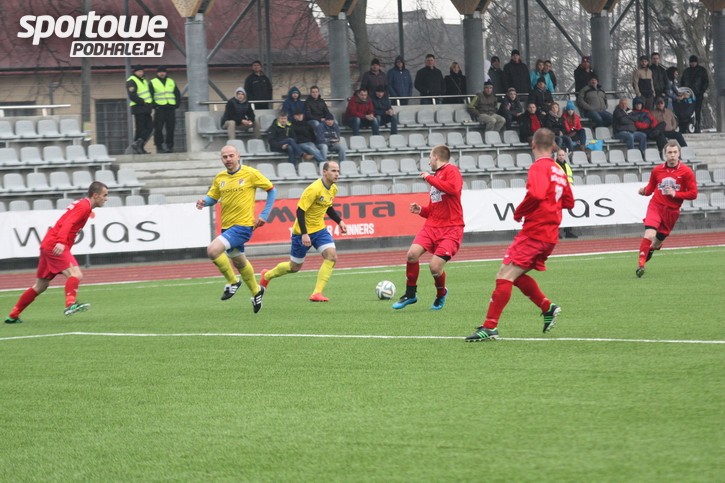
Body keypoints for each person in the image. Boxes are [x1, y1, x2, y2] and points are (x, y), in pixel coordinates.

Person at [465, 128, 574, 341]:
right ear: (553, 147)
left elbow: (537, 194)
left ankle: (490, 327)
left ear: (533, 144)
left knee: (504, 276)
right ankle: (547, 307)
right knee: (514, 275)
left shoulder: (539, 167)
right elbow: (569, 202)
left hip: (535, 231)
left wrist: (520, 211)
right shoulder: (559, 171)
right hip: (550, 234)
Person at [4, 182, 109, 324]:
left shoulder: (83, 205)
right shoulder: (84, 206)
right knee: (76, 274)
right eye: (104, 195)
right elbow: (68, 223)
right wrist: (60, 241)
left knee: (41, 286)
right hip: (55, 244)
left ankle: (13, 315)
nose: (106, 198)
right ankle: (70, 304)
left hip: (48, 244)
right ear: (95, 195)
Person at [195, 144, 277, 313]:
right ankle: (256, 291)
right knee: (239, 262)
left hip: (243, 226)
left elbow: (271, 190)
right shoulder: (220, 177)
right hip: (227, 227)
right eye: (225, 157)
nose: (228, 159)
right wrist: (204, 202)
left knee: (212, 250)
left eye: (231, 156)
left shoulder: (250, 173)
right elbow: (213, 197)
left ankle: (233, 281)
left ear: (238, 156)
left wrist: (264, 214)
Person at [259, 161, 347, 302]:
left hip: (320, 230)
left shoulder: (333, 189)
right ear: (325, 172)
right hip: (302, 232)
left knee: (332, 256)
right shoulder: (314, 189)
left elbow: (328, 206)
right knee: (294, 267)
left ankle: (317, 293)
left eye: (338, 171)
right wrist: (305, 234)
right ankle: (267, 275)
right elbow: (300, 211)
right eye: (333, 171)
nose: (337, 174)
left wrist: (339, 221)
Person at [392, 144, 464, 311]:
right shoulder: (436, 177)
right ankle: (410, 294)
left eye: (430, 158)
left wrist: (429, 178)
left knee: (435, 267)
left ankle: (441, 293)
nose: (428, 162)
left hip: (451, 228)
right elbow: (434, 209)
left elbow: (453, 189)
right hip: (432, 227)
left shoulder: (451, 171)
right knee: (412, 254)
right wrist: (421, 210)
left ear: (436, 157)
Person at [635, 140, 697, 278]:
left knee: (657, 243)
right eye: (669, 152)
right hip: (656, 206)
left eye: (675, 152)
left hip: (671, 212)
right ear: (665, 154)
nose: (672, 155)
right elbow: (650, 189)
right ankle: (641, 265)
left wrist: (676, 194)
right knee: (649, 234)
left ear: (679, 153)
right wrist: (644, 191)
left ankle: (651, 249)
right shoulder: (657, 170)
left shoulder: (686, 172)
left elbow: (693, 194)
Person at [150, 66, 180, 153]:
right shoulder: (153, 82)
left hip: (170, 108)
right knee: (158, 128)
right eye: (160, 72)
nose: (162, 73)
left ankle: (169, 146)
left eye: (163, 72)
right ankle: (159, 146)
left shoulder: (171, 81)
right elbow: (150, 95)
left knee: (171, 127)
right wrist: (154, 105)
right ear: (157, 73)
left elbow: (177, 94)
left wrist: (176, 104)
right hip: (159, 108)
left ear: (166, 73)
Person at [126, 64, 154, 154]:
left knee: (149, 127)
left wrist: (149, 104)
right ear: (135, 72)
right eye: (139, 71)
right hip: (138, 107)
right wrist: (143, 102)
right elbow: (132, 95)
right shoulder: (131, 81)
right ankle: (138, 148)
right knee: (140, 128)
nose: (140, 73)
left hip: (146, 108)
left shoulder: (143, 80)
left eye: (141, 71)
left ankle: (138, 144)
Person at [680, 55, 709, 132]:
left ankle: (697, 126)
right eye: (691, 62)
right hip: (687, 94)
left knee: (697, 110)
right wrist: (683, 91)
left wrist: (702, 91)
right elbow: (682, 82)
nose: (693, 64)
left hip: (698, 94)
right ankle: (688, 125)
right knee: (688, 110)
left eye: (694, 62)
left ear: (697, 62)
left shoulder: (702, 70)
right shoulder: (686, 71)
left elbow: (705, 82)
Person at [555, 149, 578, 239]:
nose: (561, 157)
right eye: (559, 155)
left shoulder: (567, 166)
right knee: (557, 212)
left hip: (568, 191)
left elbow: (570, 178)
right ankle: (557, 232)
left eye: (562, 155)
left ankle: (568, 231)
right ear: (557, 156)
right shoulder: (554, 166)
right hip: (559, 192)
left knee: (569, 212)